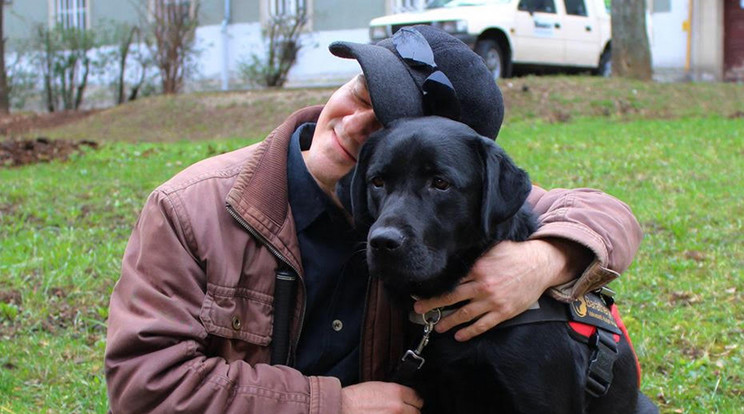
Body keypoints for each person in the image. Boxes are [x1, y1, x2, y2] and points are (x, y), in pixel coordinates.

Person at [105, 25, 642, 413]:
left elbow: (607, 213)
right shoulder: (191, 208)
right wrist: (333, 406)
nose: (353, 124)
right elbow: (144, 385)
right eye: (361, 93)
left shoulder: (455, 193)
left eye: (388, 123)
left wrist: (544, 259)